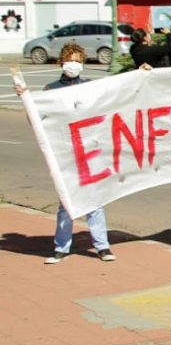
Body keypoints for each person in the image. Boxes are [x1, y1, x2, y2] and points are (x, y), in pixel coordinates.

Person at [19, 44, 118, 263]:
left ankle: (102, 247)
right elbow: (38, 118)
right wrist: (26, 99)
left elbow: (116, 96)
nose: (73, 64)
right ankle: (61, 247)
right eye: (69, 60)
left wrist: (142, 74)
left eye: (78, 60)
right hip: (64, 152)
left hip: (89, 150)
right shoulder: (51, 89)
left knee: (94, 200)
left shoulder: (90, 87)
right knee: (66, 201)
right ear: (62, 63)